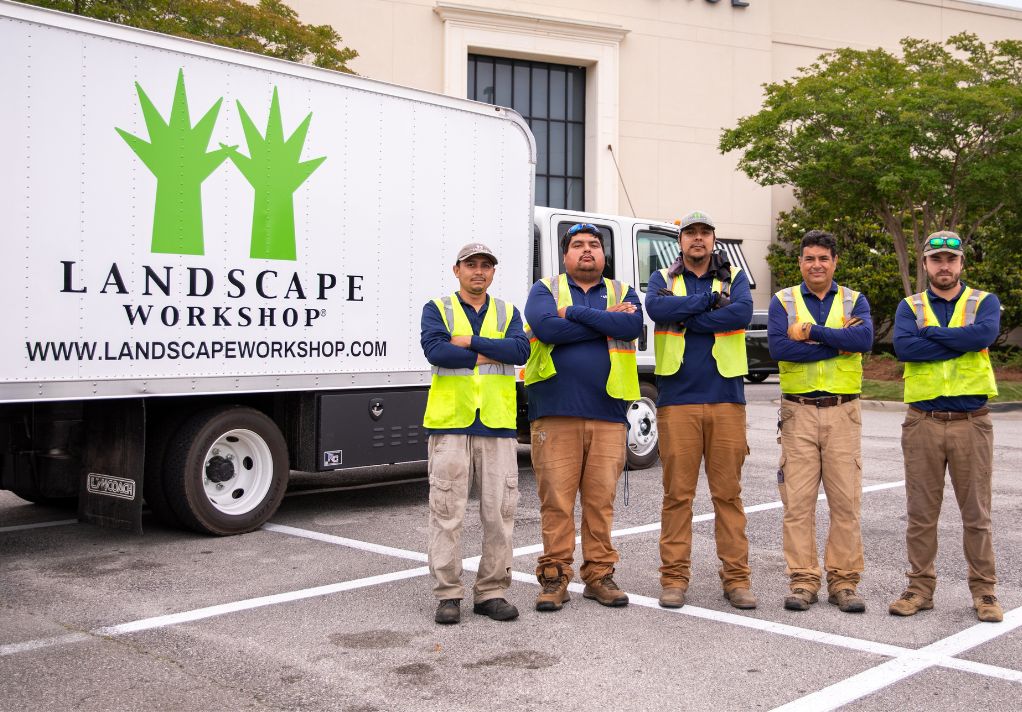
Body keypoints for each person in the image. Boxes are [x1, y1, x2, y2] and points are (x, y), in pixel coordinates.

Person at [524, 222, 643, 612]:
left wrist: (572, 314)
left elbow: (631, 325)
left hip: (609, 413)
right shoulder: (544, 289)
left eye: (594, 244)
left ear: (604, 255)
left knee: (600, 501)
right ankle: (555, 576)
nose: (587, 250)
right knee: (556, 501)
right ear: (565, 255)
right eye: (578, 245)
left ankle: (599, 576)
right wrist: (603, 321)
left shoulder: (622, 292)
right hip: (555, 412)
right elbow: (544, 327)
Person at [645, 210, 757, 610]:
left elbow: (740, 314)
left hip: (727, 398)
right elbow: (659, 311)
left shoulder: (735, 277)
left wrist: (689, 315)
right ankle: (673, 579)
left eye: (704, 233)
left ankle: (737, 580)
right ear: (680, 241)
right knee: (678, 496)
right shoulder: (662, 278)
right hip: (677, 401)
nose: (697, 239)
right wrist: (709, 303)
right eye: (690, 233)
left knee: (728, 495)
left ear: (714, 240)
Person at [889, 231, 1003, 623]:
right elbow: (905, 348)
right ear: (925, 265)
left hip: (972, 423)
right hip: (923, 422)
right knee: (921, 514)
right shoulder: (910, 306)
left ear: (961, 265)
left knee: (977, 514)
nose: (944, 267)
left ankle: (984, 591)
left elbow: (984, 335)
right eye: (936, 260)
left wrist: (932, 335)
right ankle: (919, 588)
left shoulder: (983, 302)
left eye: (950, 261)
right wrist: (960, 341)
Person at [420, 243, 530, 625]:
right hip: (451, 424)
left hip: (497, 426)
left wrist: (469, 343)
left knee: (500, 514)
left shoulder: (507, 311)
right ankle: (448, 594)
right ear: (457, 271)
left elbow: (520, 350)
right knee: (447, 513)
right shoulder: (438, 309)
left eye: (486, 266)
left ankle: (491, 592)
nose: (478, 271)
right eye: (471, 265)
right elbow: (437, 352)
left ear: (493, 272)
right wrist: (490, 352)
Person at [767, 230, 873, 614]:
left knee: (846, 502)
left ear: (834, 262)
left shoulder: (853, 299)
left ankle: (844, 582)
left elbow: (863, 340)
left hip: (844, 412)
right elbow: (780, 348)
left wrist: (811, 334)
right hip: (797, 413)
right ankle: (803, 580)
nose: (816, 265)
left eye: (823, 259)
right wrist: (837, 341)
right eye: (809, 258)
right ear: (800, 263)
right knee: (797, 503)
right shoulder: (783, 300)